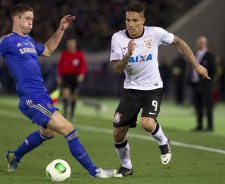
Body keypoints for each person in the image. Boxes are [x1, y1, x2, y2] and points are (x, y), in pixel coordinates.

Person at [0, 4, 115, 178]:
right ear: (16, 19)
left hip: (42, 96)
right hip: (32, 99)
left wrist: (61, 29)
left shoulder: (29, 41)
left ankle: (14, 156)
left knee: (48, 133)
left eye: (32, 19)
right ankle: (95, 171)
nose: (31, 22)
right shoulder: (7, 41)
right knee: (69, 130)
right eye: (27, 18)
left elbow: (47, 50)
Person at [109, 2, 211, 177]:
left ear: (143, 20)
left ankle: (163, 141)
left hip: (153, 88)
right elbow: (118, 70)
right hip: (131, 90)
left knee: (147, 123)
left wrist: (196, 65)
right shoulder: (118, 38)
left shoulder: (154, 33)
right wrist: (128, 55)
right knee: (118, 133)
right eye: (127, 20)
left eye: (135, 20)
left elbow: (179, 42)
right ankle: (127, 167)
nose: (130, 24)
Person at [190, 36, 216, 131]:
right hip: (195, 84)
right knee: (198, 105)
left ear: (205, 43)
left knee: (208, 105)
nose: (199, 44)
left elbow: (214, 69)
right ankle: (199, 125)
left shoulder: (210, 55)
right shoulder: (195, 53)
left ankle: (210, 126)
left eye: (201, 42)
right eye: (198, 42)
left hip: (206, 85)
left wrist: (208, 81)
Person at [57, 38, 86, 120]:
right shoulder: (64, 54)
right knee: (65, 94)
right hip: (66, 77)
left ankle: (72, 114)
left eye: (72, 44)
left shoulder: (79, 54)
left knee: (74, 96)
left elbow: (83, 65)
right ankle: (65, 113)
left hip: (75, 77)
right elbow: (60, 66)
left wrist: (81, 74)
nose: (70, 45)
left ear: (75, 44)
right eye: (69, 44)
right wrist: (59, 76)